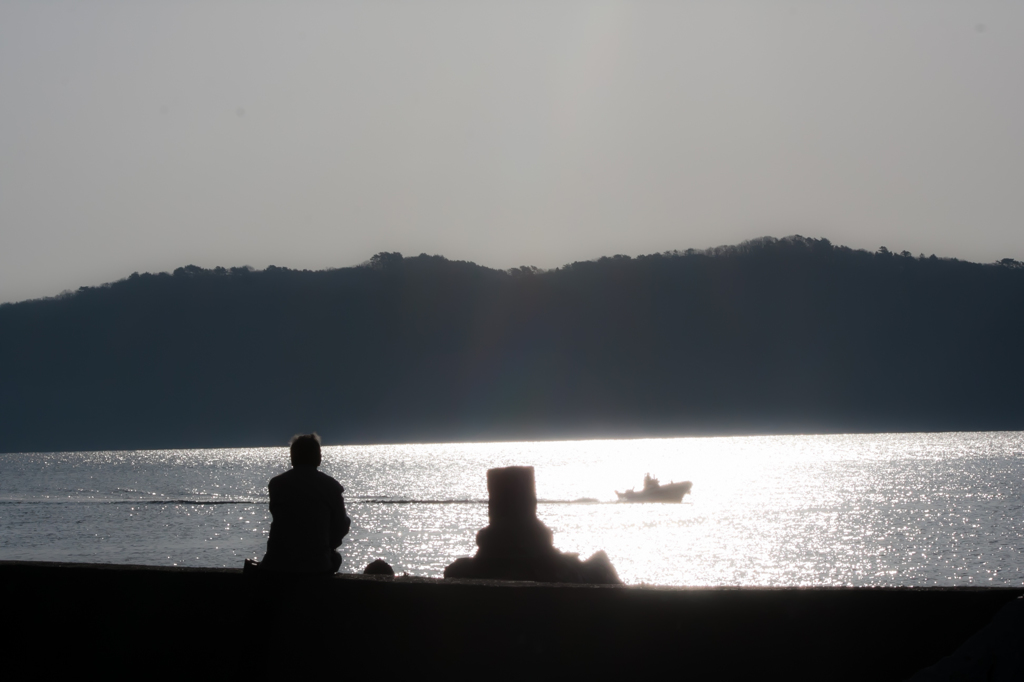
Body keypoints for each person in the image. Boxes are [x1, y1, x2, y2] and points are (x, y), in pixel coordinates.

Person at [260, 433, 350, 574]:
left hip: (276, 563)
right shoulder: (331, 486)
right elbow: (341, 526)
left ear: (293, 458)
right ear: (317, 458)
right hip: (316, 565)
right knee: (335, 558)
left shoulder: (277, 484)